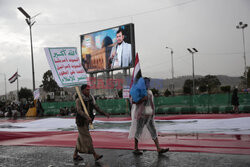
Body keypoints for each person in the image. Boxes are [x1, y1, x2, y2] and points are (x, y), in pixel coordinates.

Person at [129, 77, 169, 155]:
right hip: (141, 115)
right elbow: (133, 101)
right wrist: (143, 99)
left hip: (149, 115)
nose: (148, 84)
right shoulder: (139, 92)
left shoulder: (150, 92)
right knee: (138, 131)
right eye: (146, 83)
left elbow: (151, 103)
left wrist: (153, 112)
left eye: (148, 83)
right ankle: (136, 148)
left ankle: (158, 148)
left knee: (153, 130)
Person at [73, 84, 110, 161]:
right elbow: (79, 111)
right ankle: (95, 155)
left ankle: (75, 155)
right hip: (81, 122)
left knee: (81, 138)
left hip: (88, 122)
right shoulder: (78, 100)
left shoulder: (90, 98)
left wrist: (104, 113)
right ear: (82, 91)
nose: (88, 91)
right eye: (87, 90)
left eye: (89, 90)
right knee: (88, 139)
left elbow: (96, 107)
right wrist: (86, 117)